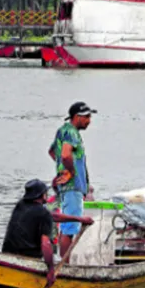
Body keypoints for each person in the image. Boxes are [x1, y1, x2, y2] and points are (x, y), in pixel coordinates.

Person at [2, 179, 94, 286]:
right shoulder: (42, 213)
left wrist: (80, 219)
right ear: (41, 195)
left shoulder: (20, 205)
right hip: (28, 257)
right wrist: (50, 270)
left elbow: (53, 216)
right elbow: (45, 244)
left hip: (8, 254)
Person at [49, 101, 96, 262]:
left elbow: (52, 152)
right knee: (69, 228)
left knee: (66, 225)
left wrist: (61, 169)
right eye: (87, 117)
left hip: (68, 186)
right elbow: (65, 154)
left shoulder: (63, 131)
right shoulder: (72, 133)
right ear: (77, 117)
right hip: (72, 187)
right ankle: (66, 266)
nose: (89, 120)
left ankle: (63, 262)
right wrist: (71, 171)